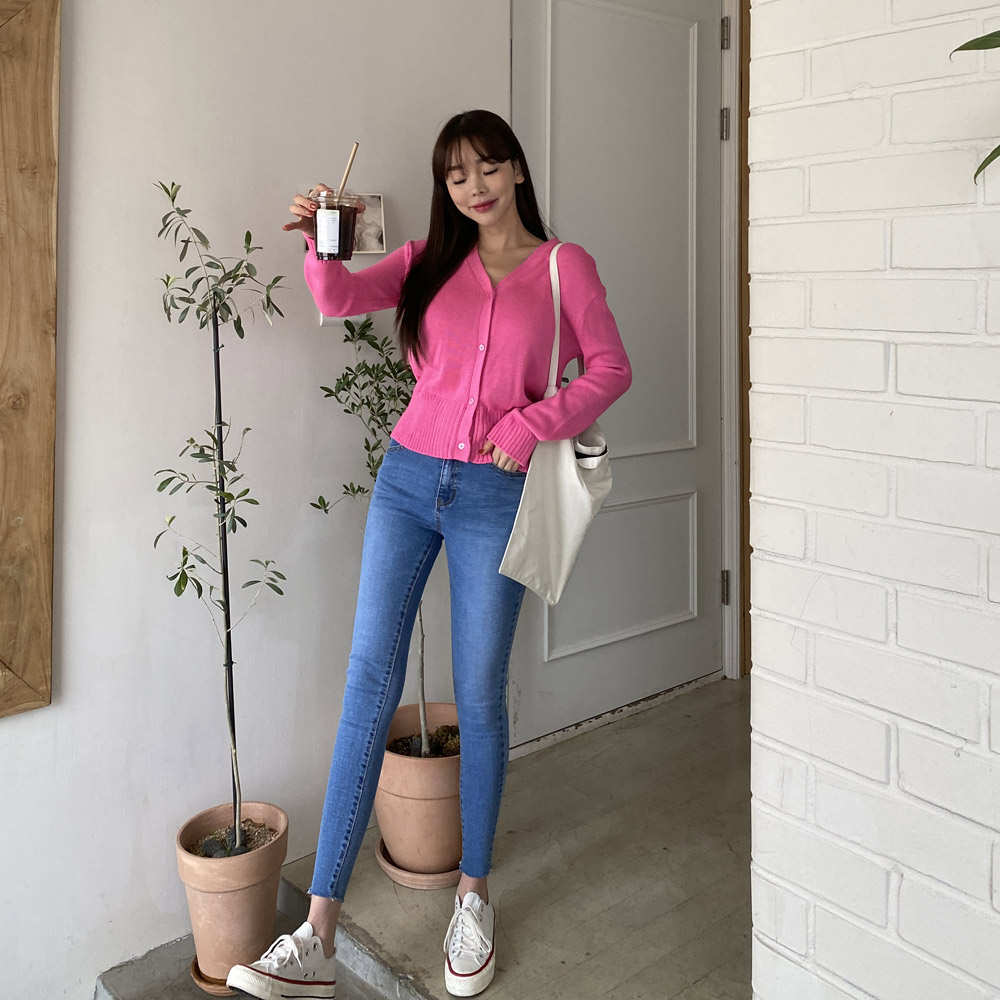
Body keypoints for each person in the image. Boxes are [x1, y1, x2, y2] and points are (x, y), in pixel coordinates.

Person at [226, 109, 632, 1000]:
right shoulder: (426, 261)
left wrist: (532, 423)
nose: (473, 186)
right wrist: (322, 241)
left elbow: (610, 368)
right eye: (456, 175)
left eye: (488, 167)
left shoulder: (563, 267)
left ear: (517, 170)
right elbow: (337, 299)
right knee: (368, 683)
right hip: (408, 480)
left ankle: (472, 897)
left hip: (495, 495)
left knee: (478, 695)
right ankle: (318, 931)